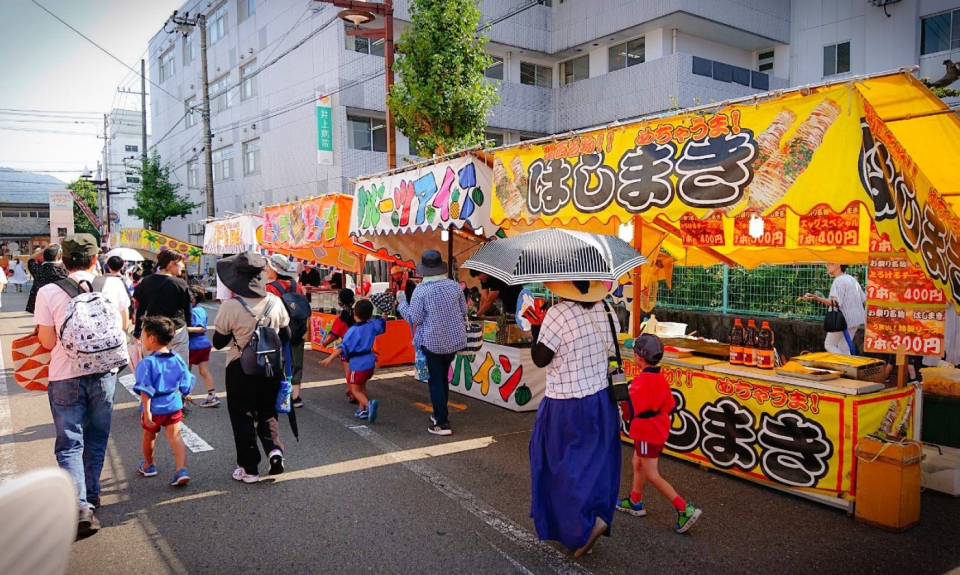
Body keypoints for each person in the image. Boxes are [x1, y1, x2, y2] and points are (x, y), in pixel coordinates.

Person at [33, 234, 131, 535]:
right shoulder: (113, 286)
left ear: (63, 261)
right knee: (97, 437)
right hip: (104, 375)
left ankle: (79, 506)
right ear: (94, 259)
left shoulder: (48, 290)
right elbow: (124, 327)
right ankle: (92, 493)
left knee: (70, 443)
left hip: (64, 375)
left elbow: (47, 341)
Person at [528, 280, 622, 557]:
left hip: (566, 403)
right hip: (602, 400)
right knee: (593, 466)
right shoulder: (607, 309)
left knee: (561, 468)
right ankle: (595, 516)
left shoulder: (559, 314)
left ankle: (579, 529)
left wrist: (536, 329)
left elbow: (540, 358)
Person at [213, 252, 291, 483]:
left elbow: (218, 342)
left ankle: (250, 468)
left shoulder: (231, 306)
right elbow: (287, 334)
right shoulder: (275, 302)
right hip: (271, 367)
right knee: (267, 410)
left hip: (240, 368)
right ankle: (274, 450)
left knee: (242, 415)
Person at [616, 334, 703, 533]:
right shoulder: (659, 378)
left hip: (647, 431)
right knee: (637, 462)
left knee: (652, 473)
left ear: (638, 357)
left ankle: (684, 508)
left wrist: (621, 394)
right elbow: (670, 406)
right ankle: (635, 500)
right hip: (657, 427)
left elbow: (628, 413)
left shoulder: (640, 383)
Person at [397, 250, 466, 436]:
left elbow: (414, 318)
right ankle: (439, 414)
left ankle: (442, 423)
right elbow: (463, 310)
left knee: (435, 379)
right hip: (453, 340)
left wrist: (402, 303)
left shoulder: (421, 290)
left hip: (432, 341)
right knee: (442, 377)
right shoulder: (454, 286)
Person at [134, 316, 194, 487]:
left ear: (151, 338)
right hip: (173, 404)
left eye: (144, 334)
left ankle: (149, 465)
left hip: (154, 406)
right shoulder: (177, 358)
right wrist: (184, 393)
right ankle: (181, 469)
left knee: (149, 435)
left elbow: (145, 392)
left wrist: (146, 413)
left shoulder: (147, 363)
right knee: (175, 437)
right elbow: (186, 384)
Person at [320, 299, 386, 421]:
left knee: (355, 389)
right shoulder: (372, 325)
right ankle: (362, 410)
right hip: (370, 362)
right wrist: (384, 311)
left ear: (355, 313)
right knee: (362, 386)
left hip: (358, 363)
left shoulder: (353, 331)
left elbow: (342, 347)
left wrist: (330, 358)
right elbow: (382, 322)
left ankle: (368, 405)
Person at [134, 250, 193, 366]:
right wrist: (190, 329)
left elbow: (141, 308)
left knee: (153, 369)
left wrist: (137, 330)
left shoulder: (146, 281)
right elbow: (188, 310)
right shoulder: (181, 283)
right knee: (177, 368)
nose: (182, 266)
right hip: (177, 331)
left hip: (152, 331)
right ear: (172, 263)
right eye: (181, 263)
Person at [265, 255, 307, 408]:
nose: (266, 269)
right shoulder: (296, 285)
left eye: (268, 266)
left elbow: (268, 311)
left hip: (278, 330)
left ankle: (280, 395)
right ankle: (296, 397)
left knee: (277, 362)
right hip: (297, 328)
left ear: (275, 270)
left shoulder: (270, 288)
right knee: (296, 362)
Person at [804, 263, 866, 355]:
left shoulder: (838, 281)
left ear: (837, 266)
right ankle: (849, 368)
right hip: (856, 319)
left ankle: (847, 365)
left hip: (843, 321)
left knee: (829, 345)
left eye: (830, 264)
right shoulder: (852, 279)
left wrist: (818, 298)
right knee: (844, 347)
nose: (827, 266)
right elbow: (863, 299)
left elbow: (836, 303)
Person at [319, 289, 358, 403]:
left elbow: (333, 336)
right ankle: (357, 390)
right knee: (359, 372)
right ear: (353, 300)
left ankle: (353, 392)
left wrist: (325, 344)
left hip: (347, 350)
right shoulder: (358, 314)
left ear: (340, 303)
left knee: (349, 372)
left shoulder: (341, 319)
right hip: (361, 348)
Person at [187, 286, 219, 408]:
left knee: (186, 372)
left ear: (193, 299)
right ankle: (212, 396)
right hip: (203, 344)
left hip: (193, 345)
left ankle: (185, 397)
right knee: (204, 371)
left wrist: (183, 329)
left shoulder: (194, 311)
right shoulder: (200, 309)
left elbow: (201, 328)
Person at [25, 245, 68, 314]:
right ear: (57, 257)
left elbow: (31, 259)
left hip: (41, 304)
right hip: (58, 304)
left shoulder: (38, 269)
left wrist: (44, 249)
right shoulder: (63, 271)